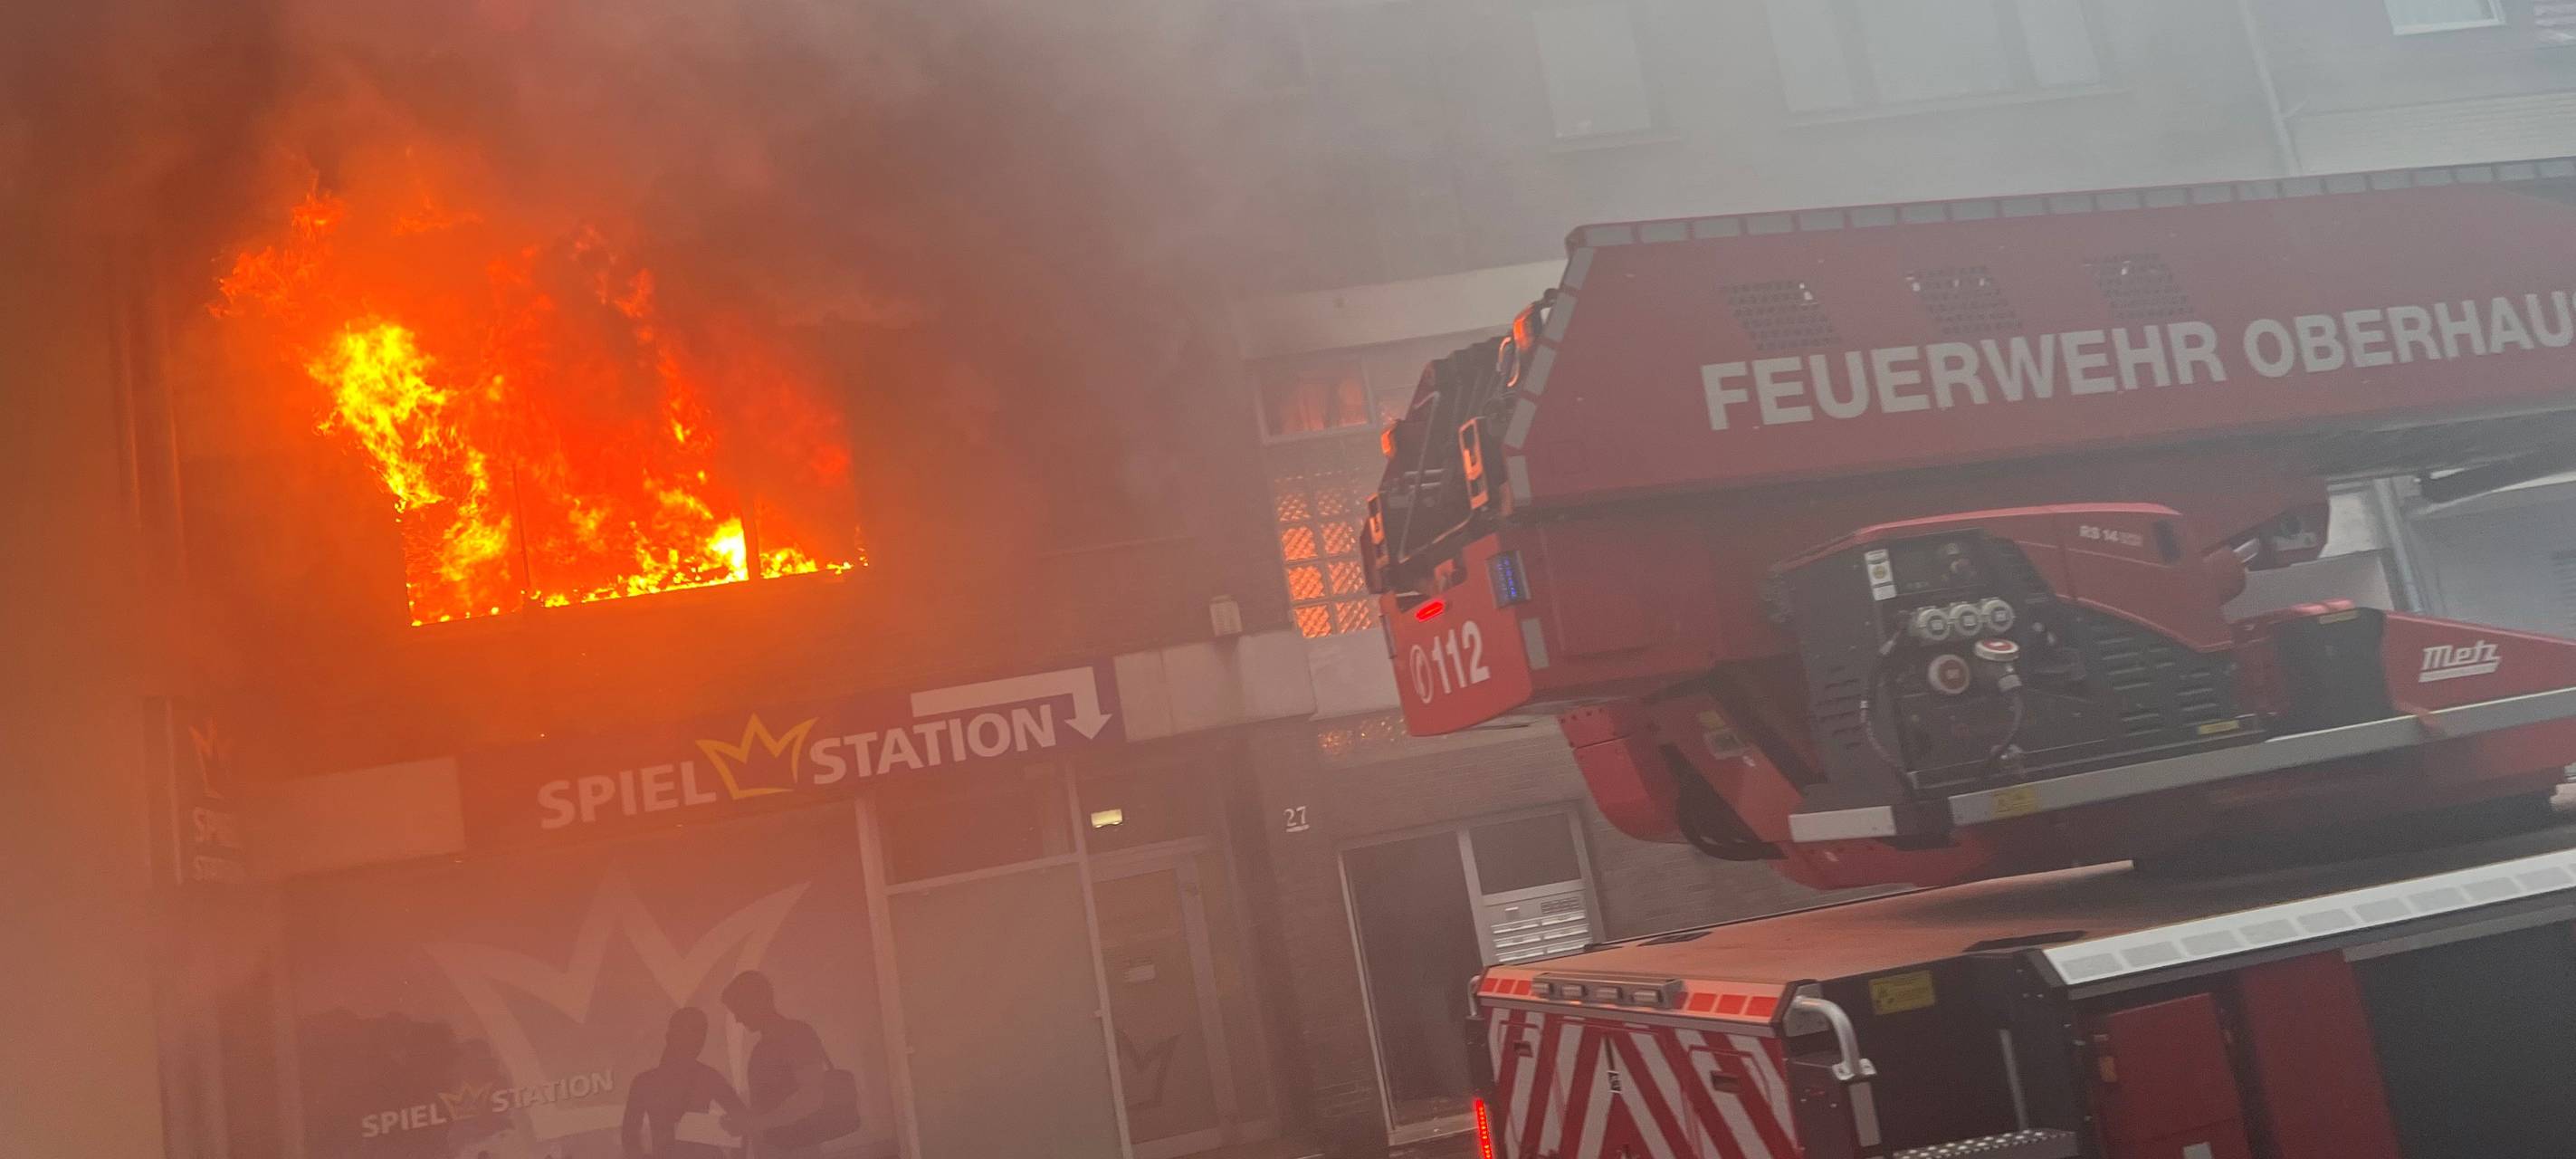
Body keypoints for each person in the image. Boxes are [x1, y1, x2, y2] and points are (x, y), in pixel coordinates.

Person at [717, 971, 849, 1158]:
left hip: (798, 1150)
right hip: (772, 1149)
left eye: (739, 1009)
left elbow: (810, 1097)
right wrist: (743, 1122)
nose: (738, 1018)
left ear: (756, 1002)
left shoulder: (796, 1034)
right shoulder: (763, 1046)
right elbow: (770, 1102)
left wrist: (754, 1124)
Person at [620, 1007, 747, 1158]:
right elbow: (629, 1136)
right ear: (670, 1036)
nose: (696, 1044)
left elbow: (744, 1119)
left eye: (699, 1038)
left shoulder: (707, 1077)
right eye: (687, 1036)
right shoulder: (645, 1083)